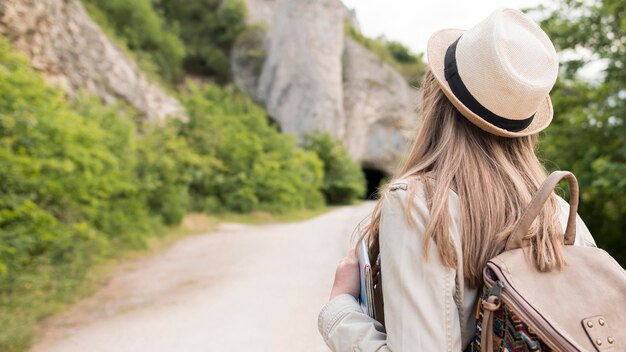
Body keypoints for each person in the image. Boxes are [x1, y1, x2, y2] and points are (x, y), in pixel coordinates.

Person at [317, 8, 597, 352]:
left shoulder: (418, 205)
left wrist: (340, 311)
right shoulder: (563, 215)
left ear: (436, 98)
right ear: (526, 127)